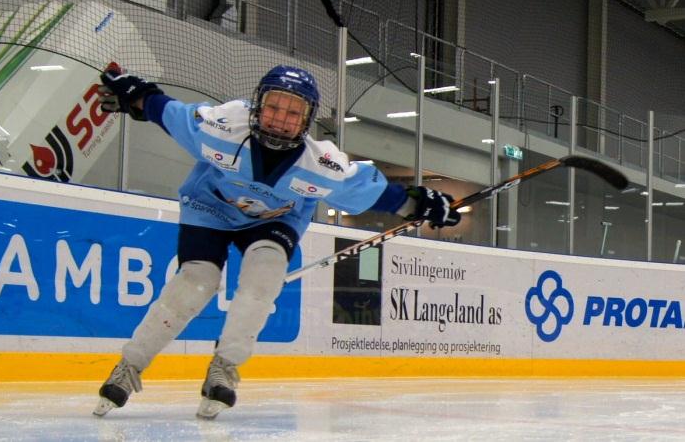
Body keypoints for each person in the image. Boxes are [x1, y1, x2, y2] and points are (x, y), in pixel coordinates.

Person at [92, 64, 461, 420]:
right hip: (209, 209)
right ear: (258, 106)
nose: (280, 118)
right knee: (195, 283)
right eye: (273, 106)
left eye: (293, 112)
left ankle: (224, 367)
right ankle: (129, 366)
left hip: (276, 220)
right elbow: (168, 112)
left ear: (306, 120)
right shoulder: (223, 126)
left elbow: (373, 193)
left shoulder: (322, 166)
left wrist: (420, 203)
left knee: (263, 277)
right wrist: (136, 96)